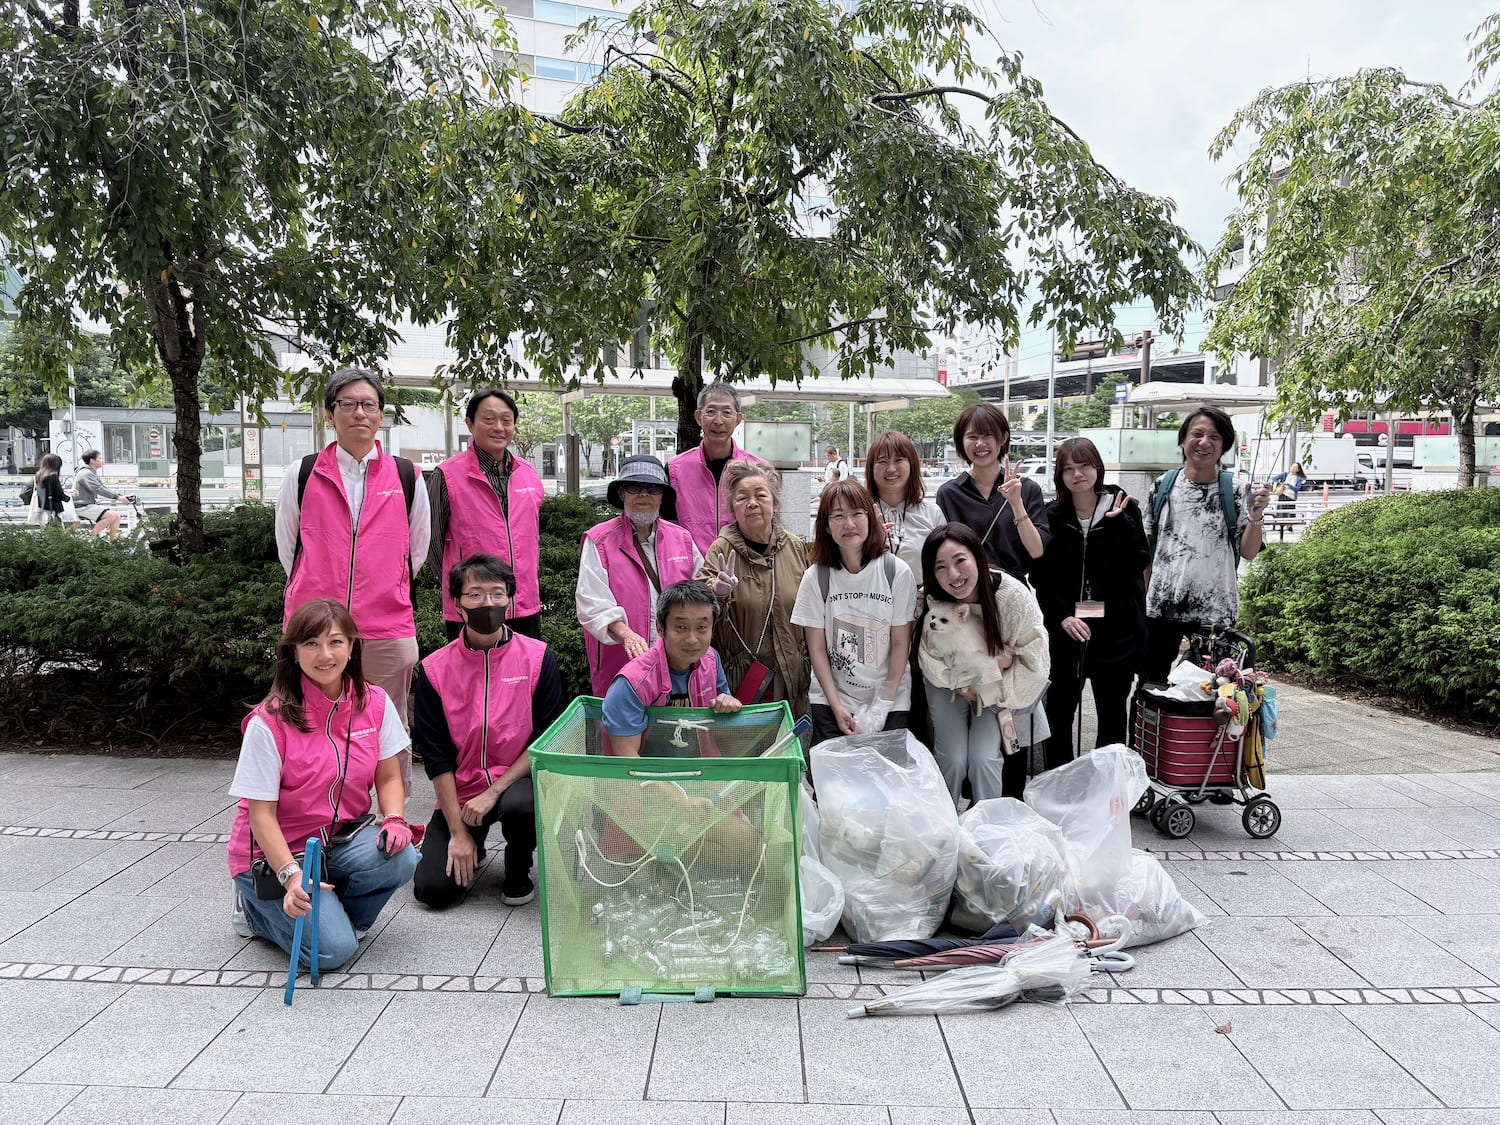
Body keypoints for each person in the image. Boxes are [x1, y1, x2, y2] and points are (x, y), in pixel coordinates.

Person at [226, 599, 418, 971]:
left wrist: (394, 817)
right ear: (293, 653)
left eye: (335, 642)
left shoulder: (374, 702)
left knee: (403, 856)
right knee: (332, 952)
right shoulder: (270, 721)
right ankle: (254, 910)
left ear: (352, 646)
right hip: (275, 855)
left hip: (340, 840)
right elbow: (260, 816)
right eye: (311, 644)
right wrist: (290, 875)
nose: (325, 654)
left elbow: (389, 775)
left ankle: (335, 915)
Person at [276, 368, 429, 798]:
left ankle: (392, 821)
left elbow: (416, 550)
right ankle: (317, 814)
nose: (359, 412)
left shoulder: (406, 476)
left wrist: (386, 586)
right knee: (309, 720)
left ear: (381, 416)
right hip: (315, 628)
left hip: (386, 626)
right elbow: (289, 549)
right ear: (331, 414)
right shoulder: (303, 474)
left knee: (390, 725)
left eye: (369, 405)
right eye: (348, 404)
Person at [412, 554, 565, 909]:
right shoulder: (434, 670)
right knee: (432, 891)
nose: (488, 603)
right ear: (457, 604)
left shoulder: (539, 658)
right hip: (462, 791)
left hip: (516, 783)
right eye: (476, 594)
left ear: (511, 600)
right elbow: (436, 758)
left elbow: (544, 738)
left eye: (498, 593)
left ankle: (517, 865)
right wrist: (456, 832)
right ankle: (473, 842)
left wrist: (493, 791)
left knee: (521, 805)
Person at [1038, 438, 1150, 765]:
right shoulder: (1053, 515)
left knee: (1113, 717)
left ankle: (1107, 791)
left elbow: (1138, 560)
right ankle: (1060, 785)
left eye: (1084, 465)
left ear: (1097, 467)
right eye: (1068, 469)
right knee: (1058, 715)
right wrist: (1060, 617)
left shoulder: (1123, 506)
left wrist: (1119, 525)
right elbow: (1042, 576)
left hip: (1116, 633)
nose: (1078, 474)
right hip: (1068, 631)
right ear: (1060, 475)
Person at [920, 523, 1050, 803]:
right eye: (940, 567)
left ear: (977, 555)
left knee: (984, 757)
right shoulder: (936, 599)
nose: (952, 575)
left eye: (960, 561)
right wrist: (974, 676)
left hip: (997, 689)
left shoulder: (1013, 597)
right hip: (948, 685)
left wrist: (988, 677)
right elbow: (929, 659)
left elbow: (1036, 661)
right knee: (952, 757)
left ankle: (985, 827)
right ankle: (944, 826)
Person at [1143, 406, 1271, 683]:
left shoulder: (1238, 491)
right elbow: (1147, 548)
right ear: (1182, 440)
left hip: (1215, 614)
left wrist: (1256, 516)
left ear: (1224, 445)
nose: (1204, 442)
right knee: (1150, 689)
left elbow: (1248, 552)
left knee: (1212, 695)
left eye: (1214, 437)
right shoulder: (1163, 485)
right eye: (1197, 434)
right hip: (1161, 609)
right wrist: (1145, 595)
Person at [792, 479, 917, 745]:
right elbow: (816, 650)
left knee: (885, 777)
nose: (849, 524)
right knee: (836, 782)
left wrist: (883, 705)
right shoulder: (816, 577)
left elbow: (899, 643)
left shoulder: (895, 571)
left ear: (871, 517)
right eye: (838, 516)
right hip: (831, 696)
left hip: (890, 693)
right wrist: (836, 706)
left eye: (857, 514)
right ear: (825, 526)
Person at [577, 454, 703, 697]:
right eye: (635, 487)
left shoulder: (682, 539)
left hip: (678, 663)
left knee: (676, 730)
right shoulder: (600, 540)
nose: (644, 495)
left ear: (662, 496)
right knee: (622, 730)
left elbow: (700, 591)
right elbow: (592, 604)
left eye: (653, 488)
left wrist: (716, 590)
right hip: (623, 663)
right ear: (622, 493)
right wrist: (626, 635)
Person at [428, 389, 546, 641]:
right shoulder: (447, 476)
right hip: (472, 607)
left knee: (525, 676)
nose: (499, 427)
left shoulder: (528, 473)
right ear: (470, 423)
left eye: (507, 420)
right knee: (471, 678)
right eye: (489, 419)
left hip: (524, 603)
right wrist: (461, 588)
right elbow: (432, 544)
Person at [696, 460, 810, 717]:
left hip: (793, 676)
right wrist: (718, 592)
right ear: (732, 508)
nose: (752, 503)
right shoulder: (722, 548)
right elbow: (699, 605)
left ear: (775, 503)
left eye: (761, 495)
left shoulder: (795, 547)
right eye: (742, 498)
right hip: (742, 678)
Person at [601, 580, 743, 756]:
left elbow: (723, 732)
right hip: (650, 778)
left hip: (703, 773)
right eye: (681, 627)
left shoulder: (711, 659)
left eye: (701, 628)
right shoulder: (632, 684)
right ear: (660, 628)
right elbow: (629, 763)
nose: (692, 639)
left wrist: (728, 706)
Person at [935, 402, 1050, 583]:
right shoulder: (949, 494)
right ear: (961, 441)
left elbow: (1036, 550)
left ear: (1003, 438)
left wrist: (1016, 504)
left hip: (1014, 592)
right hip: (967, 591)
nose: (980, 444)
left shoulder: (1027, 489)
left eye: (988, 435)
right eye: (972, 436)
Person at [668, 382, 755, 554]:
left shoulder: (756, 468)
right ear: (698, 417)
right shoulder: (674, 469)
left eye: (727, 413)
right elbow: (668, 528)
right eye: (711, 412)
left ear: (738, 419)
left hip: (743, 567)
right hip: (692, 570)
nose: (718, 421)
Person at [866, 431, 944, 579]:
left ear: (912, 464)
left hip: (920, 599)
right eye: (882, 461)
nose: (891, 469)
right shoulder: (860, 513)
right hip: (870, 599)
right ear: (871, 467)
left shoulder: (932, 513)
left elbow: (943, 566)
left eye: (899, 460)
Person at [72, 449, 127, 539]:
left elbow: (102, 487)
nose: (103, 461)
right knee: (111, 515)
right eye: (100, 458)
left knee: (116, 516)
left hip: (88, 504)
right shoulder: (86, 473)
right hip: (82, 505)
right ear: (92, 461)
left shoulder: (91, 472)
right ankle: (90, 539)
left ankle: (113, 542)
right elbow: (99, 489)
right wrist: (118, 497)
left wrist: (119, 495)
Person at [30, 453, 73, 529]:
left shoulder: (39, 476)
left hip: (44, 507)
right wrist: (68, 498)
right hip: (54, 507)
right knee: (57, 529)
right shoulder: (53, 477)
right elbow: (59, 493)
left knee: (47, 528)